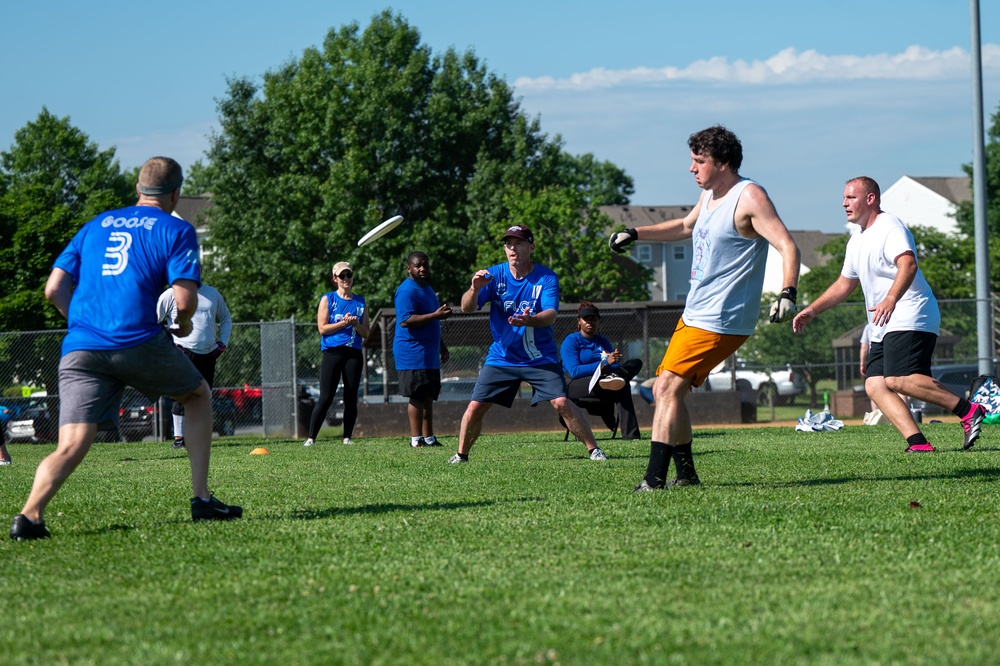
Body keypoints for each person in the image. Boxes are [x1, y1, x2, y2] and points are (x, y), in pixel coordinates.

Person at [10, 157, 242, 541]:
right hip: (136, 338)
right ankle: (201, 498)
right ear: (176, 193)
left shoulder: (94, 225)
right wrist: (180, 329)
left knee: (71, 444)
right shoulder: (175, 228)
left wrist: (82, 324)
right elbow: (184, 302)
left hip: (81, 346)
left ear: (137, 189)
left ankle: (29, 517)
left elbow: (53, 288)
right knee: (197, 394)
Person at [608, 125, 801, 491]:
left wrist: (787, 293)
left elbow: (789, 246)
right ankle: (687, 476)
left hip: (722, 319)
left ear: (724, 163)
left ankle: (654, 479)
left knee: (665, 389)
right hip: (695, 314)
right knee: (670, 390)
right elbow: (683, 225)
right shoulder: (710, 197)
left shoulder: (749, 197)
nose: (692, 169)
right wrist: (636, 233)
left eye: (700, 161)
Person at [792, 176, 985, 452]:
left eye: (851, 197)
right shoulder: (856, 239)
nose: (844, 203)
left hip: (910, 311)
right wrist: (812, 309)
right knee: (875, 384)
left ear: (870, 199)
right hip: (884, 322)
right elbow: (845, 283)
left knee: (899, 379)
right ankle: (918, 443)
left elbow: (908, 264)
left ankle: (968, 410)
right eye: (844, 198)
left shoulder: (890, 227)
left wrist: (891, 299)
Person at [449, 224, 607, 463]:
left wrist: (530, 320)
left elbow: (552, 314)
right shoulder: (494, 275)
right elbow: (466, 307)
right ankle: (461, 455)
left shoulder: (546, 277)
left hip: (539, 357)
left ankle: (594, 450)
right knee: (474, 408)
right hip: (502, 357)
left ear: (531, 247)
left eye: (519, 243)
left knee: (562, 402)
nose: (513, 248)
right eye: (509, 244)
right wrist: (474, 288)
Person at [156, 283, 232, 448]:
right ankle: (179, 439)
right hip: (182, 352)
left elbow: (225, 317)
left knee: (202, 397)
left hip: (208, 353)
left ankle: (198, 438)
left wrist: (223, 342)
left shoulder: (212, 293)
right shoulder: (171, 294)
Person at [303, 261, 370, 447]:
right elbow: (322, 328)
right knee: (326, 396)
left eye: (349, 275)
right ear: (335, 279)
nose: (346, 279)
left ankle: (347, 437)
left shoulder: (361, 302)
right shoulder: (328, 299)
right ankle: (311, 438)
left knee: (350, 396)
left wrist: (356, 324)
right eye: (342, 276)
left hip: (353, 354)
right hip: (332, 353)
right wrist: (344, 323)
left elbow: (366, 333)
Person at [393, 251, 452, 448]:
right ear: (409, 268)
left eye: (425, 265)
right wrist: (435, 315)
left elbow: (433, 322)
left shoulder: (427, 288)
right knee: (417, 396)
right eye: (418, 266)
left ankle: (429, 438)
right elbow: (405, 321)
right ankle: (415, 439)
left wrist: (441, 346)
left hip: (429, 352)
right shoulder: (407, 291)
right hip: (412, 352)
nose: (422, 269)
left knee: (428, 397)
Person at [559, 301, 643, 439]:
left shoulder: (603, 341)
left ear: (598, 322)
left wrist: (613, 363)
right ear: (579, 321)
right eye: (586, 319)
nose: (590, 322)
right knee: (621, 383)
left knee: (634, 365)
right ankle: (615, 379)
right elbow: (574, 371)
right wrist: (604, 365)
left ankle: (631, 437)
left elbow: (614, 364)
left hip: (604, 381)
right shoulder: (571, 340)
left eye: (594, 319)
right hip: (576, 384)